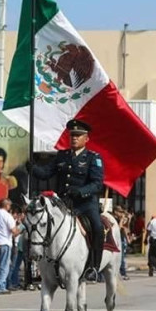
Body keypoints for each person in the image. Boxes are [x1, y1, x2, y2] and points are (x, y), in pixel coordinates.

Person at [28, 119, 104, 282]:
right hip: (63, 202)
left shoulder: (92, 158)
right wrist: (32, 168)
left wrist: (81, 191)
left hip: (85, 204)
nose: (74, 138)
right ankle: (41, 266)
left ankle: (94, 267)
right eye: (72, 136)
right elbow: (46, 173)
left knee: (97, 227)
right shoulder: (62, 156)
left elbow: (97, 184)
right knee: (41, 223)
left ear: (86, 139)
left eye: (78, 135)